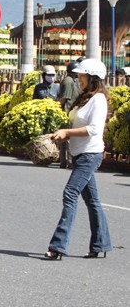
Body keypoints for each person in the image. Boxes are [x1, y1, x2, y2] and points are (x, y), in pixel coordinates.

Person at [44, 58, 112, 260]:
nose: (79, 79)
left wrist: (67, 132)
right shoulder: (85, 98)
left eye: (82, 76)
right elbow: (73, 122)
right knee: (92, 201)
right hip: (80, 154)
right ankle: (101, 243)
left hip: (90, 155)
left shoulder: (98, 100)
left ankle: (58, 246)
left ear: (93, 78)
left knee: (70, 193)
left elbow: (93, 130)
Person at [58, 61, 81, 169]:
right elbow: (64, 98)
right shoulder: (68, 81)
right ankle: (68, 161)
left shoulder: (73, 80)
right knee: (67, 138)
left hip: (71, 111)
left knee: (67, 137)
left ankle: (65, 161)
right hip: (67, 112)